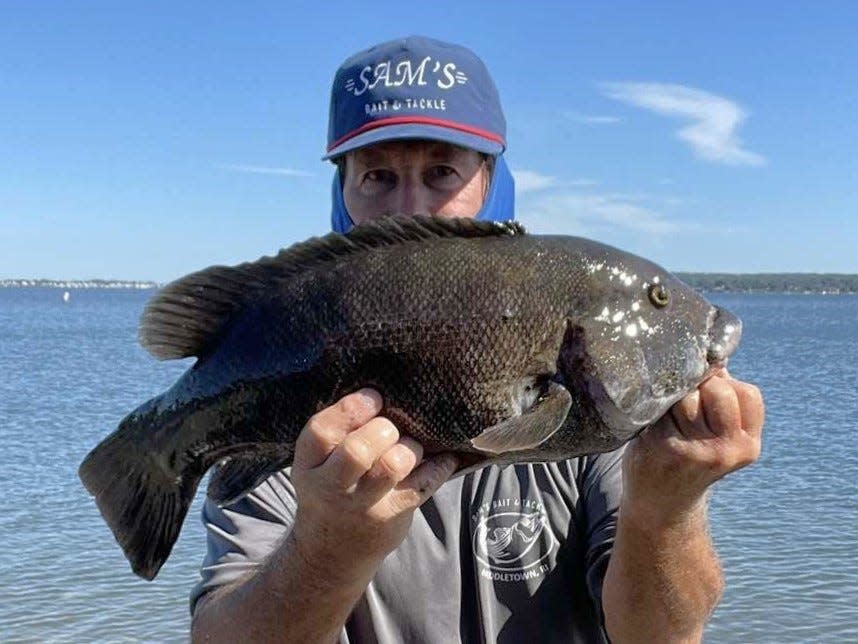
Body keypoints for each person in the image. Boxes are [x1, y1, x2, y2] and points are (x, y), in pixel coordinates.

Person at [190, 36, 764, 643]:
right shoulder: (297, 401)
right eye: (378, 177)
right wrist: (327, 550)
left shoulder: (613, 411)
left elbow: (658, 638)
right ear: (342, 193)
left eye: (442, 173)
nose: (411, 207)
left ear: (493, 181)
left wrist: (665, 510)